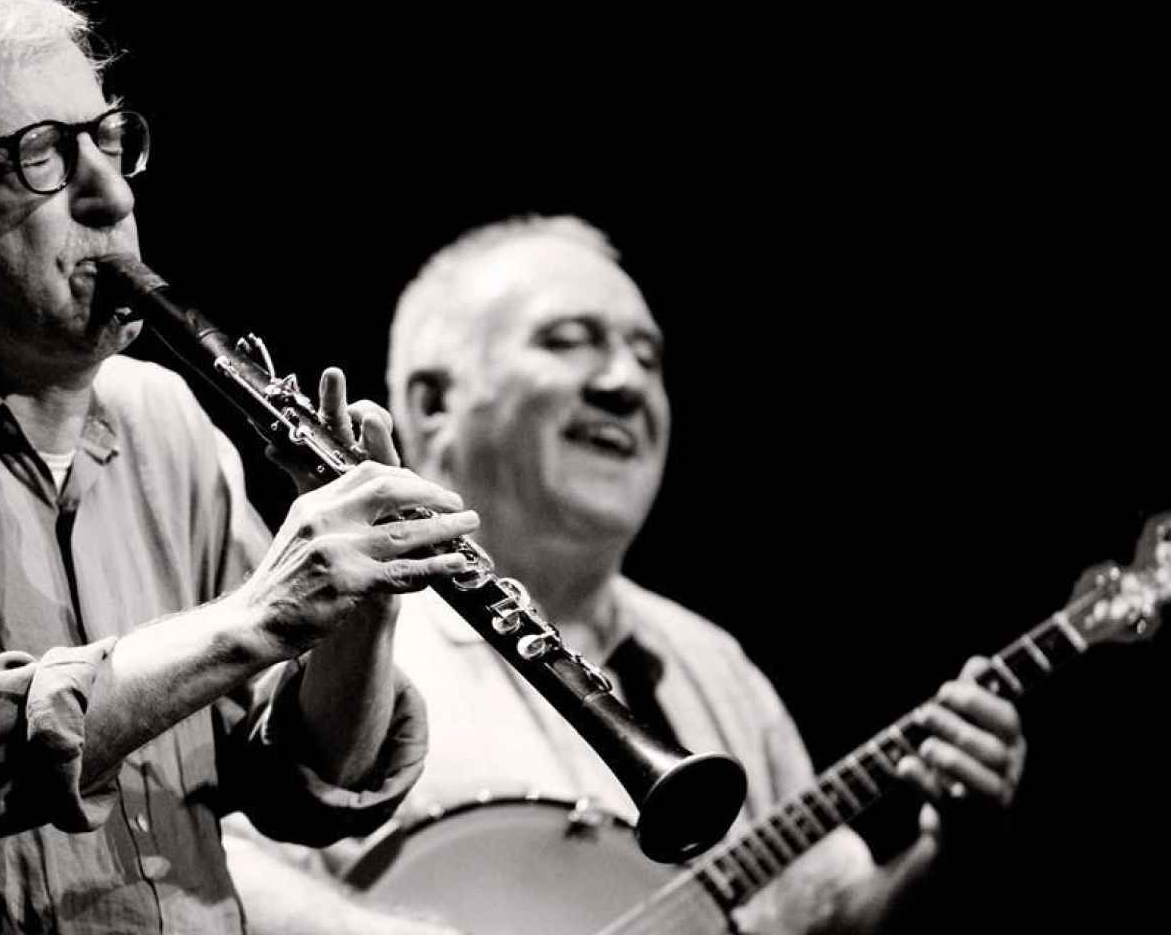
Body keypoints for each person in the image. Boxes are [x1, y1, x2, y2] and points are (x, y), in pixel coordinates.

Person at [0, 0, 480, 932]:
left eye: (109, 139)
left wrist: (355, 619)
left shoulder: (167, 425)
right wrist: (265, 612)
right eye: (35, 154)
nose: (110, 193)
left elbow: (304, 788)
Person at [222, 215, 1030, 934]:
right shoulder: (322, 622)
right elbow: (202, 874)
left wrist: (951, 851)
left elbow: (836, 916)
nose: (626, 384)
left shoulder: (714, 664)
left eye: (648, 357)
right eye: (569, 341)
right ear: (433, 401)